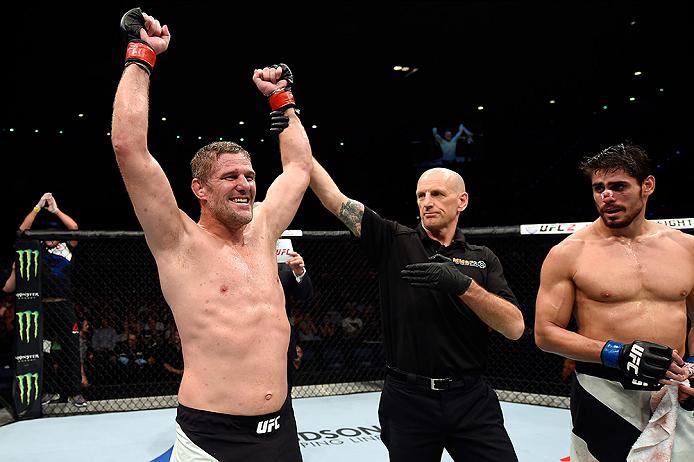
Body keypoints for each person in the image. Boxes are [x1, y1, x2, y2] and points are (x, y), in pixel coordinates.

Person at [110, 8, 312, 461]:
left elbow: (299, 167)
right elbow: (129, 149)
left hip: (283, 428)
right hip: (212, 438)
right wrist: (141, 56)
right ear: (199, 189)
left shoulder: (264, 230)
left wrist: (283, 98)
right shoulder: (178, 241)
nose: (245, 184)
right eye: (230, 177)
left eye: (250, 175)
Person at [303, 148, 525, 460]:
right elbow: (333, 198)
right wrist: (291, 125)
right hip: (408, 399)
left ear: (462, 201)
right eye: (421, 195)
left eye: (437, 194)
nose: (427, 202)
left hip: (470, 397)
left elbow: (514, 327)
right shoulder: (395, 240)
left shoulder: (482, 258)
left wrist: (463, 285)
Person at [534, 143, 694, 461]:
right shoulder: (569, 252)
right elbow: (545, 334)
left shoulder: (686, 247)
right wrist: (617, 353)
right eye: (599, 188)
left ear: (646, 185)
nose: (607, 196)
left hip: (673, 389)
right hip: (603, 389)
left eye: (618, 186)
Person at [4, 193, 87, 407]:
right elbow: (22, 231)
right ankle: (49, 391)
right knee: (48, 349)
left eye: (53, 233)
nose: (50, 236)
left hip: (65, 306)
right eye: (47, 233)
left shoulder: (67, 248)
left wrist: (56, 210)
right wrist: (37, 208)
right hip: (44, 309)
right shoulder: (38, 249)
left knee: (70, 348)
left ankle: (75, 392)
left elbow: (75, 228)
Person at [278, 250, 314, 389]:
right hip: (248, 338)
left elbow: (305, 295)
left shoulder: (285, 264)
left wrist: (299, 272)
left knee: (285, 391)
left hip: (281, 337)